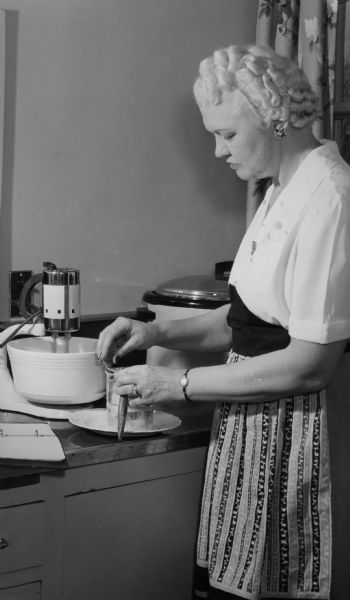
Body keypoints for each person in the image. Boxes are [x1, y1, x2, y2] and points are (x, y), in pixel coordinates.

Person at [96, 44, 350, 600]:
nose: (217, 151)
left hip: (293, 427)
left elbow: (310, 364)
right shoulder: (276, 190)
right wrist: (154, 332)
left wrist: (180, 382)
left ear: (276, 121)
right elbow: (245, 320)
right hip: (248, 420)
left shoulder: (331, 196)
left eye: (228, 135)